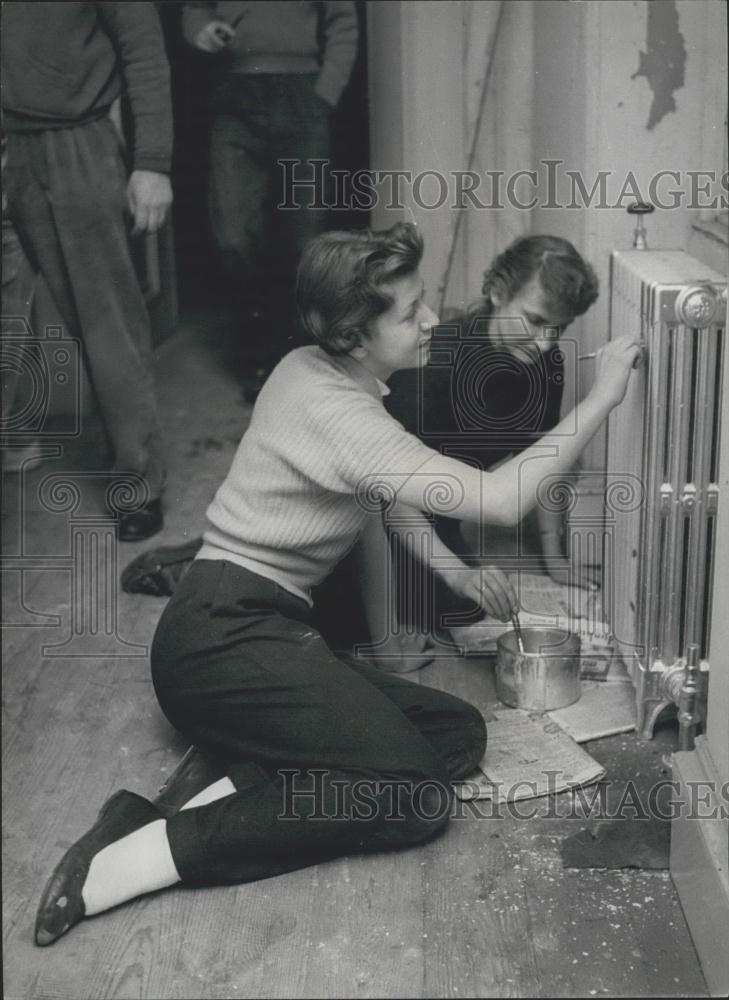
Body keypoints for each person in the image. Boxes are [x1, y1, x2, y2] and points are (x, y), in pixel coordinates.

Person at [33, 223, 641, 946]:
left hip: (266, 628)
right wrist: (601, 396)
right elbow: (501, 499)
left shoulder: (314, 371)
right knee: (414, 795)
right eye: (409, 311)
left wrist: (450, 575)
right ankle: (133, 857)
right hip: (218, 637)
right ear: (354, 334)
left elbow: (381, 497)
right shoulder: (343, 413)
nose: (428, 319)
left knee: (454, 731)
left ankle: (215, 784)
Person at [373, 235, 602, 666]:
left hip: (444, 515)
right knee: (422, 617)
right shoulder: (432, 368)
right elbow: (385, 499)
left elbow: (542, 456)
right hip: (383, 524)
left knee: (472, 610)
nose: (546, 344)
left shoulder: (544, 362)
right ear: (498, 292)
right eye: (534, 321)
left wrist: (553, 557)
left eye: (559, 329)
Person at [1, 2, 173, 540]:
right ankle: (15, 436)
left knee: (106, 327)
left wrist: (153, 163)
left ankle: (138, 486)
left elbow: (145, 54)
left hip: (78, 145)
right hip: (9, 145)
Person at [181, 0, 358, 399]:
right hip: (234, 94)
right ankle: (256, 353)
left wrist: (324, 95)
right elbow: (194, 10)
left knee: (301, 237)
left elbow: (343, 22)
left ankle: (298, 358)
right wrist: (202, 31)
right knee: (232, 234)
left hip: (302, 95)